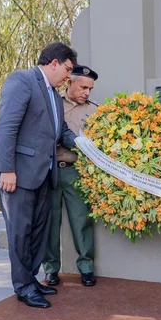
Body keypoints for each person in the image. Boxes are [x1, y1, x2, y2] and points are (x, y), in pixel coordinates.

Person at [0, 41, 77, 308]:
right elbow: (6, 129)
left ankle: (31, 279)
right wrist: (7, 170)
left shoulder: (55, 96)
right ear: (54, 63)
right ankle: (22, 286)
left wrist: (84, 144)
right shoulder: (21, 81)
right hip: (17, 174)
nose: (68, 76)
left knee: (38, 231)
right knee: (20, 231)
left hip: (43, 174)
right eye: (67, 69)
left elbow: (62, 132)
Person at [42, 65, 98, 287]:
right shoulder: (53, 104)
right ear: (70, 83)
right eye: (83, 87)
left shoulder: (95, 110)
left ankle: (86, 268)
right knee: (50, 221)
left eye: (90, 89)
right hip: (52, 169)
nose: (87, 92)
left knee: (81, 220)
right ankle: (51, 269)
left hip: (77, 171)